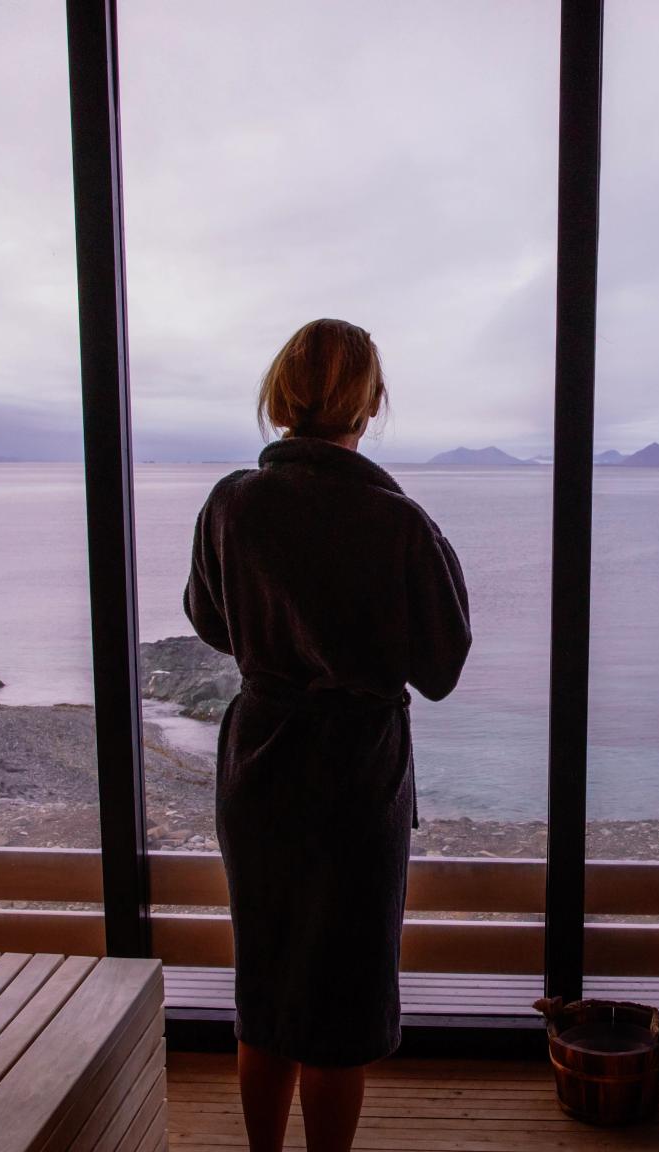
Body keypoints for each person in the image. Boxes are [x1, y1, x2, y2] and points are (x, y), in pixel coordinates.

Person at [184, 318, 473, 1152]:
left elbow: (211, 621)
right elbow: (443, 666)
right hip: (355, 778)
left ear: (281, 393)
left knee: (267, 986)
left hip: (260, 763)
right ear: (370, 401)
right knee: (341, 1002)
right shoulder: (396, 521)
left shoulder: (232, 502)